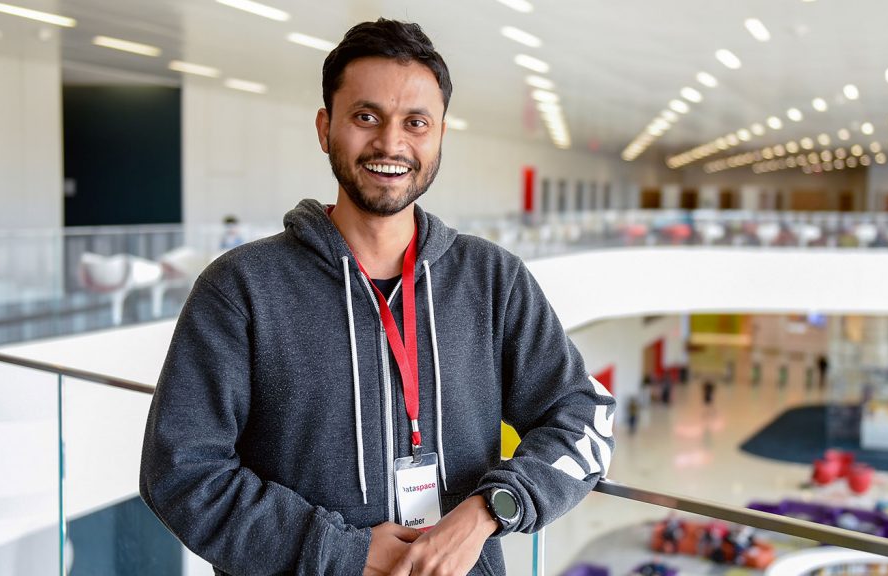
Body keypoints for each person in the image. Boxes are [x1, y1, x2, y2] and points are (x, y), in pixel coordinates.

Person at [139, 19, 615, 576]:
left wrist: (492, 508)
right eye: (366, 117)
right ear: (325, 128)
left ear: (439, 136)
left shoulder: (492, 279)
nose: (391, 144)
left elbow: (585, 416)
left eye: (416, 123)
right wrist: (348, 552)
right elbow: (182, 472)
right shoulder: (242, 288)